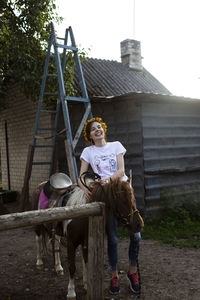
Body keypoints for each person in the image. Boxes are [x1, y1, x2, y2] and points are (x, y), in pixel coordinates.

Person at [78, 117, 141, 295]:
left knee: (136, 235)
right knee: (112, 239)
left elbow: (121, 171)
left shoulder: (116, 146)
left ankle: (132, 271)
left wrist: (108, 179)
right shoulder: (88, 151)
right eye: (93, 129)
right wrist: (85, 189)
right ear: (89, 135)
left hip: (122, 193)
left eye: (99, 127)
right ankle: (114, 275)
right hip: (106, 197)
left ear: (104, 129)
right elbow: (80, 176)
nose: (97, 130)